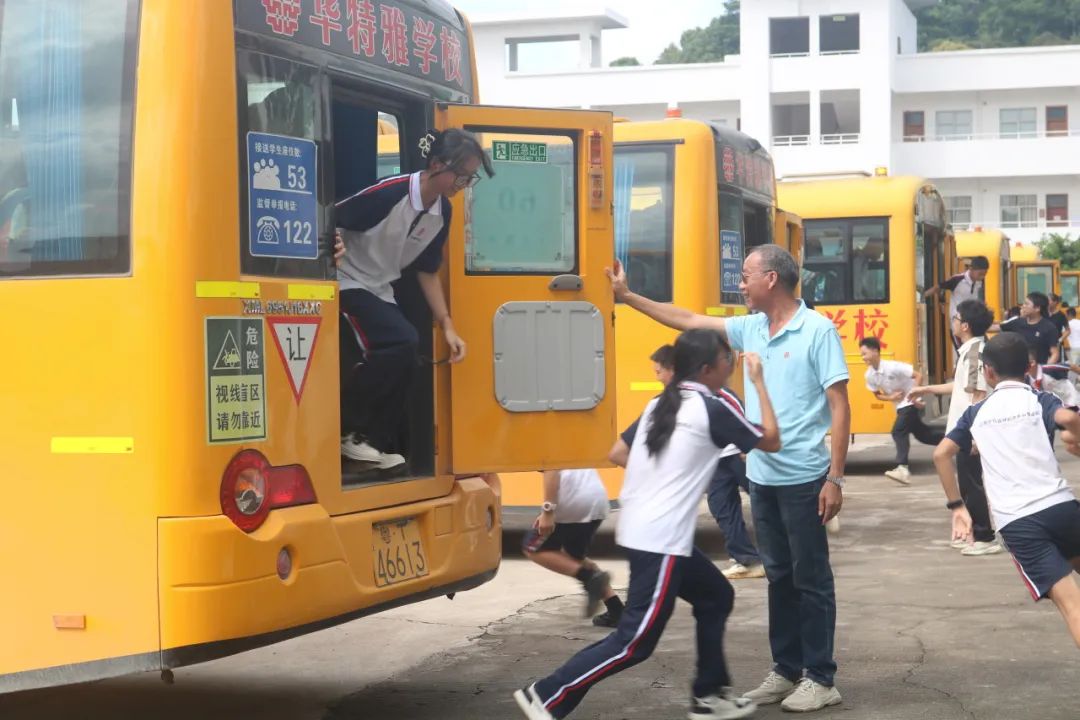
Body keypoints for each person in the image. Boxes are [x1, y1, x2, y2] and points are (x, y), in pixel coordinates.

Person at [608, 244, 850, 713]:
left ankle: (821, 677)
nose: (740, 283)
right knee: (779, 576)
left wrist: (835, 477)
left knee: (811, 579)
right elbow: (688, 320)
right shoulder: (752, 327)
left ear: (772, 280)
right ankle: (786, 670)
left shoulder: (817, 330)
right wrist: (629, 297)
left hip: (804, 477)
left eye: (746, 275)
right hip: (762, 476)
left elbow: (839, 404)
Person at [513, 331, 780, 720]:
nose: (733, 365)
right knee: (634, 641)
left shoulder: (661, 402)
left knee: (715, 596)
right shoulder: (713, 406)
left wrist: (662, 478)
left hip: (652, 530)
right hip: (662, 538)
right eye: (728, 360)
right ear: (707, 369)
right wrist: (758, 381)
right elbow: (771, 440)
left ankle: (709, 695)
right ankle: (548, 693)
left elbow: (618, 452)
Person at [335, 129, 494, 468]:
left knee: (410, 357)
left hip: (378, 285)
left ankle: (367, 439)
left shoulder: (443, 213)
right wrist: (330, 246)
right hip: (346, 279)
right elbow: (334, 216)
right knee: (400, 341)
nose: (462, 184)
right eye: (460, 175)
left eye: (470, 178)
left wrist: (447, 325)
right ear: (436, 164)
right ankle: (346, 432)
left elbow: (426, 269)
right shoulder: (391, 193)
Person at [933, 332, 1080, 649]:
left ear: (987, 372)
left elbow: (941, 454)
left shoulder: (975, 413)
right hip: (1062, 509)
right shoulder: (1038, 400)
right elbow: (1068, 417)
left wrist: (958, 507)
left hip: (1019, 522)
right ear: (1029, 366)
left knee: (1073, 606)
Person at [650, 344, 765, 580]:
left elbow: (742, 415)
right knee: (723, 508)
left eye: (659, 371)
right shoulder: (669, 399)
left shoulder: (714, 392)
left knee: (765, 499)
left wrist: (747, 449)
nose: (658, 377)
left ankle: (796, 540)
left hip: (737, 455)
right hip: (715, 460)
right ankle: (747, 559)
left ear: (673, 369)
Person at [908, 300, 1001, 556]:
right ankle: (971, 532)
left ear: (966, 326)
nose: (953, 322)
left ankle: (984, 536)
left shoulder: (973, 354)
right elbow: (961, 387)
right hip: (966, 431)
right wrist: (927, 389)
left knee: (971, 484)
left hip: (968, 433)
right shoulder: (971, 351)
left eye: (956, 318)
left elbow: (978, 395)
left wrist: (974, 436)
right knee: (968, 483)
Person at [522, 469, 625, 629]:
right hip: (596, 497)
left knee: (533, 548)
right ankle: (617, 611)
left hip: (572, 499)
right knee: (573, 557)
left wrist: (548, 511)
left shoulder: (543, 443)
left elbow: (552, 469)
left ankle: (589, 576)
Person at [859, 337, 943, 485]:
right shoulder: (869, 375)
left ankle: (902, 468)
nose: (863, 357)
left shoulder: (893, 366)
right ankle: (957, 441)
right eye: (862, 355)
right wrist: (890, 397)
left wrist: (915, 394)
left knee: (898, 431)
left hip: (910, 402)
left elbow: (918, 376)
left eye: (864, 353)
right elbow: (877, 395)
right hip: (900, 405)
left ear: (875, 351)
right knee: (923, 435)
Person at [923, 256, 989, 350]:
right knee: (964, 351)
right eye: (980, 274)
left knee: (978, 351)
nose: (982, 277)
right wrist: (922, 296)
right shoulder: (958, 280)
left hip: (973, 324)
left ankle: (974, 364)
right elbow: (938, 287)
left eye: (984, 274)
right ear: (971, 269)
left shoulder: (978, 283)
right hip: (959, 325)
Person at [999, 291, 1059, 365]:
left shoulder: (1049, 327)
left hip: (1035, 371)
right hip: (1016, 371)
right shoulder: (1018, 322)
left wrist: (1044, 370)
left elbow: (1055, 353)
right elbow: (997, 328)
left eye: (1027, 304)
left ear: (1037, 308)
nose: (1023, 306)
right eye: (1023, 303)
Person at [1048, 292, 1070, 361]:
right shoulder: (1043, 314)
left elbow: (1068, 330)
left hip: (1056, 345)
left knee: (1057, 365)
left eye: (1048, 300)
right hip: (1044, 344)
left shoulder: (1061, 315)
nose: (1046, 302)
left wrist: (1060, 340)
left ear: (1055, 302)